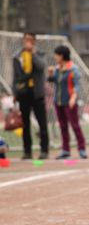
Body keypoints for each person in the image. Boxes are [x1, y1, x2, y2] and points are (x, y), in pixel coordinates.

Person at [12, 31, 50, 159]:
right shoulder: (17, 55)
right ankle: (27, 151)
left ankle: (44, 150)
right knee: (25, 124)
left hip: (37, 92)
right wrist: (14, 92)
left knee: (42, 122)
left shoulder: (39, 54)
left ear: (34, 41)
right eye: (26, 39)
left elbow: (41, 66)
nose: (28, 42)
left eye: (30, 40)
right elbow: (15, 77)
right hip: (23, 93)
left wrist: (33, 53)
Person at [47, 45, 87, 159]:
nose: (55, 57)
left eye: (56, 55)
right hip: (58, 101)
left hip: (69, 101)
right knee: (63, 126)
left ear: (62, 56)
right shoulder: (57, 69)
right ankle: (65, 150)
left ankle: (82, 149)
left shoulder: (73, 69)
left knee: (75, 125)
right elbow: (52, 81)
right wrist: (50, 74)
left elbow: (77, 85)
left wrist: (73, 97)